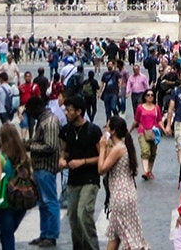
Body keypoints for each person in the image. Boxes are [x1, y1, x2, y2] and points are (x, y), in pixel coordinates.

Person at [98, 117, 147, 250]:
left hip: (121, 196)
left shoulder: (118, 148)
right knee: (115, 235)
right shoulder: (120, 146)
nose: (105, 130)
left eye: (107, 127)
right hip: (124, 193)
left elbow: (102, 169)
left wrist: (102, 147)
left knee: (131, 238)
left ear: (112, 131)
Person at [60, 96, 103, 250]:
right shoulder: (66, 130)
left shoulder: (93, 130)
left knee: (83, 213)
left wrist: (82, 161)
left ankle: (93, 247)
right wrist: (62, 159)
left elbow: (102, 157)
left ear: (78, 111)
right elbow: (64, 150)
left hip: (90, 179)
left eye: (69, 110)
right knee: (72, 217)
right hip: (73, 179)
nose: (66, 113)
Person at [0, 122, 34, 250]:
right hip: (22, 199)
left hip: (6, 200)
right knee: (8, 234)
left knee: (6, 235)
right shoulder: (23, 156)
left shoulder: (1, 158)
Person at [26, 97, 62, 247]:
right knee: (42, 202)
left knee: (50, 201)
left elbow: (51, 146)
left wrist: (30, 147)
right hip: (40, 167)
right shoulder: (43, 121)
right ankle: (44, 233)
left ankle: (52, 234)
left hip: (46, 167)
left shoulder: (50, 122)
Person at [135, 92, 162, 181]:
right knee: (145, 151)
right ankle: (145, 171)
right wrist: (129, 130)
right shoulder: (140, 108)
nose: (150, 96)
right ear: (145, 97)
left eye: (152, 95)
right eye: (148, 95)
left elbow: (159, 120)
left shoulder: (156, 108)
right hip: (142, 131)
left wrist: (165, 129)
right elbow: (136, 120)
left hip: (154, 132)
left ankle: (149, 171)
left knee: (153, 153)